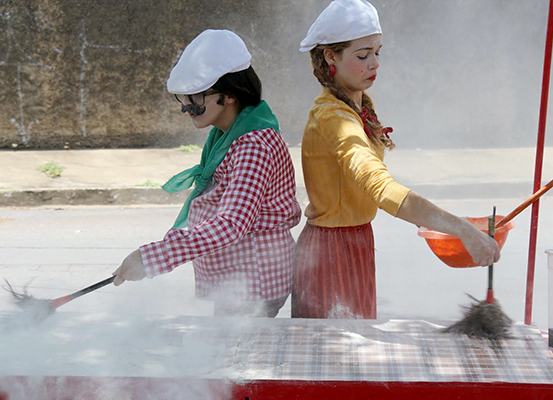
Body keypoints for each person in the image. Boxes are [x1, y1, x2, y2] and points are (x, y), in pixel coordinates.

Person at [292, 0, 500, 319]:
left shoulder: (355, 105)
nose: (375, 63)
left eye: (378, 52)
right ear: (330, 56)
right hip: (330, 253)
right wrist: (462, 229)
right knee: (334, 361)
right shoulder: (333, 117)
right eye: (363, 55)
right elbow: (379, 186)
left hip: (355, 243)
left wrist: (449, 225)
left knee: (355, 356)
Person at [113, 29, 301, 318]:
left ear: (228, 95)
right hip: (237, 281)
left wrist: (153, 257)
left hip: (254, 283)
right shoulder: (226, 134)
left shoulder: (254, 144)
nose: (187, 106)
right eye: (184, 97)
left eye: (197, 96)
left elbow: (231, 225)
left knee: (236, 359)